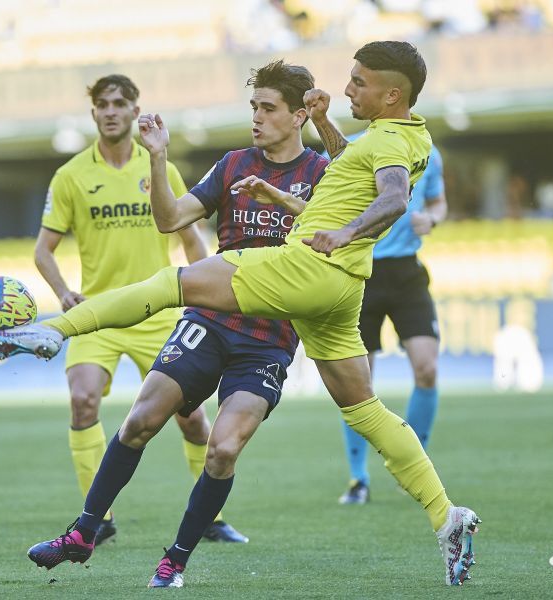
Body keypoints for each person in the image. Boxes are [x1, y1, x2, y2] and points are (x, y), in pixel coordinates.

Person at [0, 41, 481, 586]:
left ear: (391, 94)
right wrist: (324, 132)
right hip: (342, 291)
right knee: (364, 409)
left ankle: (53, 331)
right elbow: (352, 171)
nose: (348, 86)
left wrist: (347, 231)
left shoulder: (384, 142)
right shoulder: (409, 135)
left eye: (358, 82)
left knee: (175, 283)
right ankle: (445, 515)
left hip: (307, 269)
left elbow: (393, 197)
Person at [25, 59, 327, 588]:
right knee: (141, 418)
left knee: (224, 447)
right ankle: (85, 531)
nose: (256, 117)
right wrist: (159, 158)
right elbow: (171, 219)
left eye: (268, 108)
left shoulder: (322, 174)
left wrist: (279, 200)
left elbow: (335, 230)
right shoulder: (233, 165)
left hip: (269, 339)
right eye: (253, 107)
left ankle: (177, 558)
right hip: (209, 320)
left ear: (299, 114)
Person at [34, 73, 244, 545]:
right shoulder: (71, 176)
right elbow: (43, 250)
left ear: (134, 110)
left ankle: (210, 517)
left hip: (160, 313)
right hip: (101, 314)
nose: (110, 111)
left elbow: (191, 238)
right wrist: (65, 293)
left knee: (191, 418)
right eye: (102, 104)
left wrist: (213, 294)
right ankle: (97, 518)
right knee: (83, 398)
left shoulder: (161, 169)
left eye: (119, 103)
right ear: (94, 114)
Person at [337, 143, 448, 505]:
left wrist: (431, 219)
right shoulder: (352, 146)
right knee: (358, 383)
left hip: (406, 272)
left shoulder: (427, 152)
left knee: (427, 369)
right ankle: (358, 479)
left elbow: (438, 203)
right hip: (361, 271)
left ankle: (413, 468)